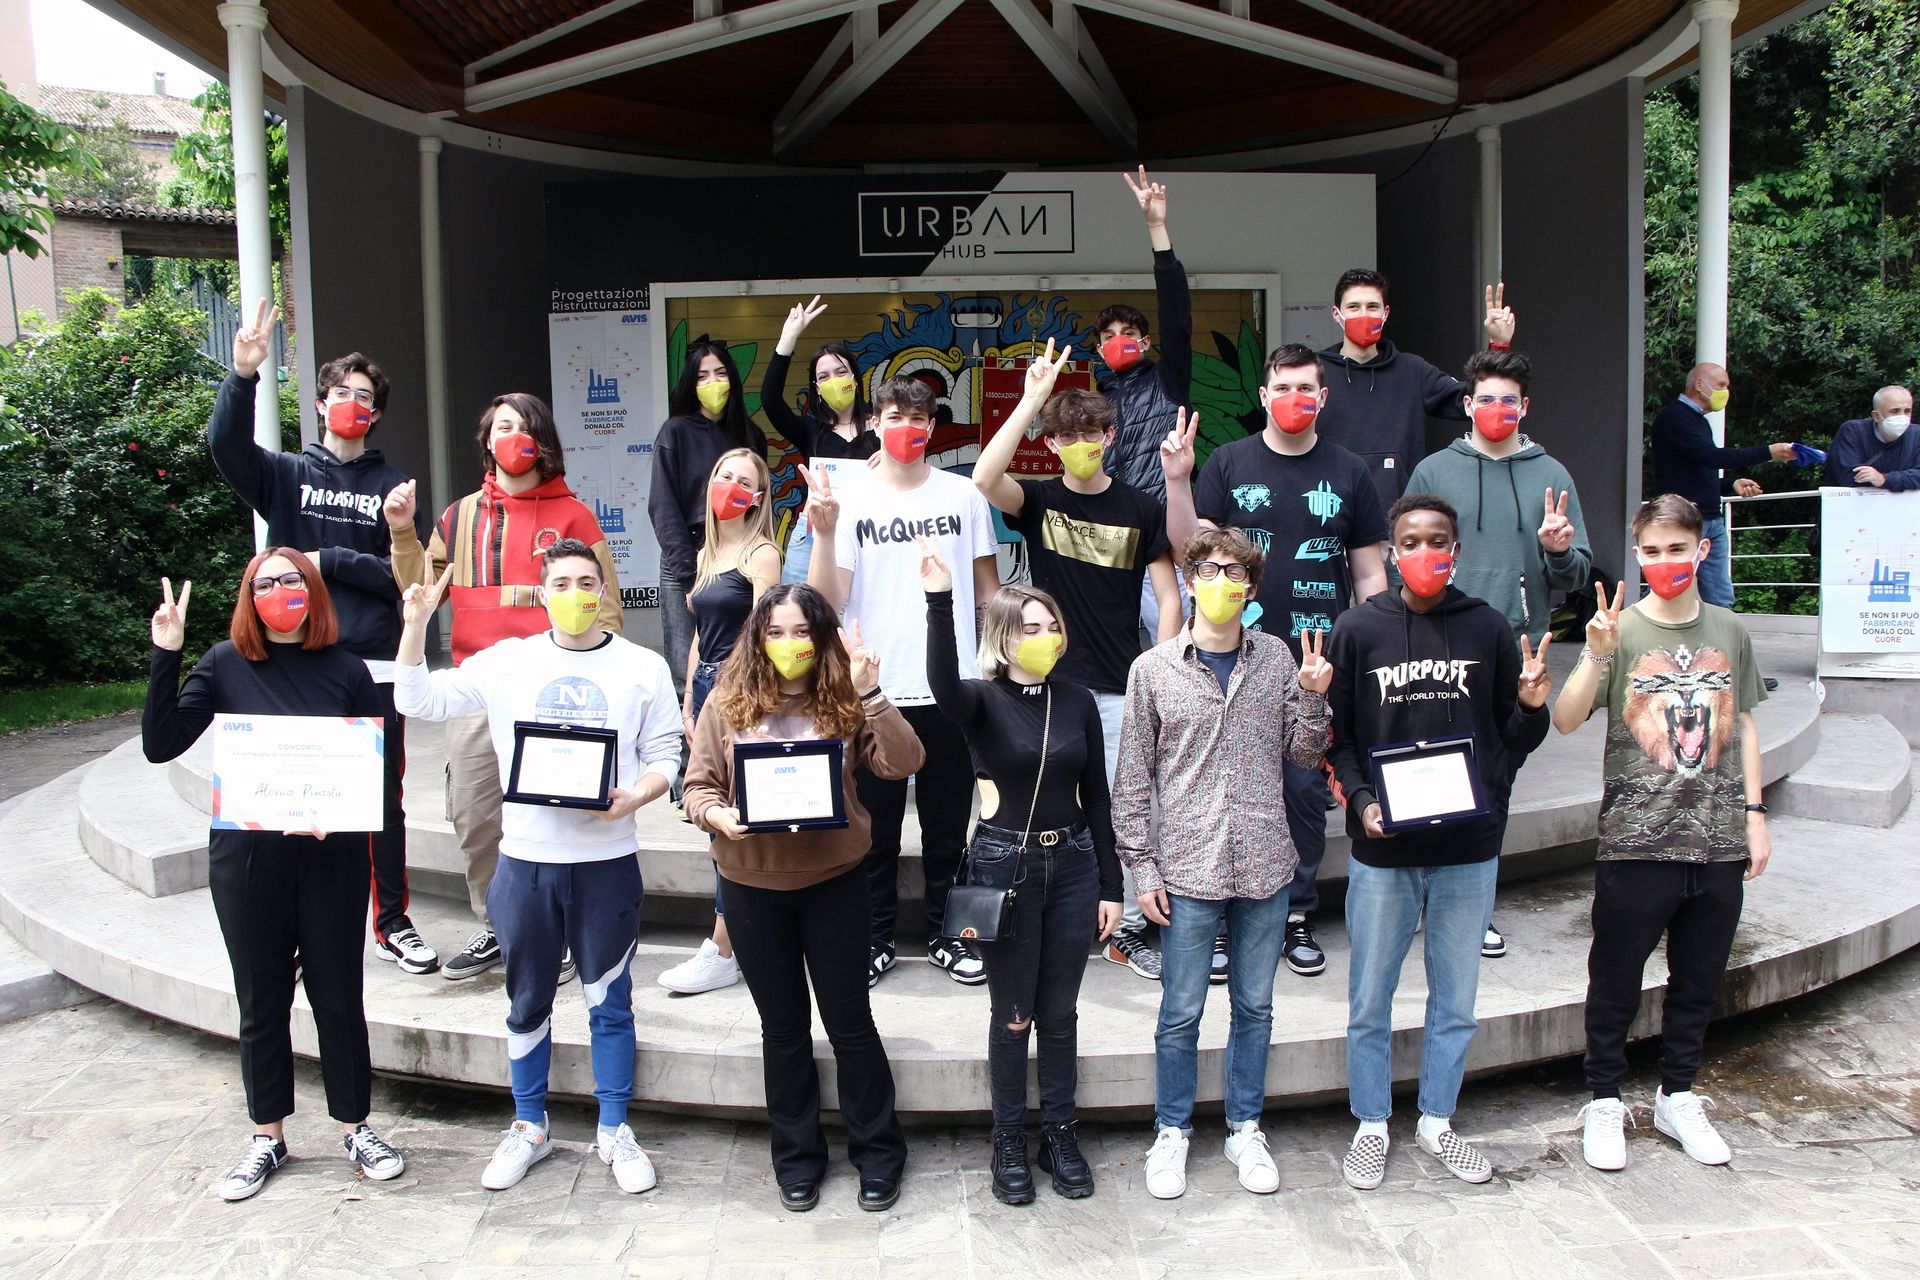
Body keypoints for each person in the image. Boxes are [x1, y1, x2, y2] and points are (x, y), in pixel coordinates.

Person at [394, 538, 679, 1194]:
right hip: (525, 863)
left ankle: (615, 1126)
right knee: (526, 1000)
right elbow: (419, 700)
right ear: (542, 593)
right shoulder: (508, 662)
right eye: (562, 584)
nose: (576, 595)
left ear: (603, 591)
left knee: (610, 1000)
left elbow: (666, 750)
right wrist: (415, 626)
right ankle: (529, 1125)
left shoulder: (642, 667)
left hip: (606, 862)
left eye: (587, 583)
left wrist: (638, 794)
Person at [142, 553, 406, 1201]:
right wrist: (166, 654)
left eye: (291, 580)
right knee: (260, 998)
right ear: (249, 596)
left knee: (338, 996)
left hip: (331, 856)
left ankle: (356, 1126)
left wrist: (334, 813)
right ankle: (268, 1135)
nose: (280, 591)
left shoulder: (347, 669)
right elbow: (160, 743)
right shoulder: (223, 664)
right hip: (249, 860)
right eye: (265, 583)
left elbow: (377, 771)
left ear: (311, 590)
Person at [1325, 494, 1554, 1191]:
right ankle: (1371, 1123)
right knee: (1370, 999)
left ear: (1456, 550)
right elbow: (1339, 740)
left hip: (1467, 849)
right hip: (1384, 849)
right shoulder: (1357, 630)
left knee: (1455, 1001)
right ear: (1392, 552)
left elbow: (1513, 741)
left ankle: (1436, 1120)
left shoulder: (1487, 627)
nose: (1425, 553)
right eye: (1411, 541)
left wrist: (1531, 707)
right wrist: (1361, 803)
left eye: (1438, 541)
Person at [205, 300, 433, 974]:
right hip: (294, 660)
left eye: (364, 398)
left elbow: (406, 581)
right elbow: (225, 448)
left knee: (379, 799)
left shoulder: (392, 487)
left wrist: (327, 559)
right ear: (320, 402)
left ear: (377, 413)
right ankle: (301, 924)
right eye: (341, 393)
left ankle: (391, 923)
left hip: (370, 665)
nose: (351, 404)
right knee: (294, 792)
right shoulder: (285, 475)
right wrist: (243, 376)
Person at [1552, 495, 1772, 1174]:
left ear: (1702, 550)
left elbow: (1747, 722)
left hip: (1719, 839)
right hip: (1636, 840)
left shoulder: (1730, 628)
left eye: (1677, 549)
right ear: (1638, 553)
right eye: (1651, 551)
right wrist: (1595, 655)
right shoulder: (1619, 629)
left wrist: (1755, 815)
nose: (1664, 561)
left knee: (1698, 979)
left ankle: (1678, 1093)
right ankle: (1604, 1098)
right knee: (1615, 978)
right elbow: (1565, 719)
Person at [1112, 527, 1334, 1201]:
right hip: (1188, 868)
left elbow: (1303, 756)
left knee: (1255, 1006)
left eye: (1233, 572)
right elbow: (1132, 782)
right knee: (1180, 1010)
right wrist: (1142, 869)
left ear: (1251, 587)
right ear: (1188, 581)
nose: (1219, 582)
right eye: (1206, 570)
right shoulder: (1153, 670)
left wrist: (1314, 696)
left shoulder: (1276, 658)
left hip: (1265, 863)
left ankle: (1245, 1127)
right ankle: (1172, 1130)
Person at [683, 584, 917, 1214]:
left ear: (822, 637)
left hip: (834, 885)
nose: (789, 644)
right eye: (776, 632)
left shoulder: (843, 696)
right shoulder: (727, 702)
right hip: (752, 889)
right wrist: (717, 816)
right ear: (758, 638)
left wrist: (872, 693)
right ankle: (797, 1159)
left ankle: (879, 1154)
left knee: (850, 1024)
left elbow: (903, 763)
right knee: (782, 1030)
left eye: (802, 631)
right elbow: (697, 786)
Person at [1162, 343, 1388, 981]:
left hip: (1315, 666)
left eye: (1306, 388)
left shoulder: (1349, 471)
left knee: (1302, 792)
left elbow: (1369, 573)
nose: (1295, 398)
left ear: (1323, 396)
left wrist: (1375, 647)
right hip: (1233, 661)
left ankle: (1295, 913)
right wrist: (1177, 480)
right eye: (1283, 387)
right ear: (1264, 396)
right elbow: (1190, 552)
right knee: (1220, 787)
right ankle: (1218, 918)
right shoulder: (1229, 463)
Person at [386, 393, 623, 981]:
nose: (512, 437)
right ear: (487, 442)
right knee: (475, 815)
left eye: (523, 427)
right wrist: (402, 534)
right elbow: (422, 590)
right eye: (502, 427)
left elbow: (607, 609)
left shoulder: (575, 516)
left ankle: (556, 931)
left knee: (556, 812)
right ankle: (498, 924)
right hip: (477, 687)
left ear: (541, 443)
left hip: (551, 689)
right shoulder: (459, 516)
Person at [918, 542, 1124, 1204]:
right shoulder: (980, 701)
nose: (1047, 637)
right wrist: (939, 600)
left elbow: (1098, 798)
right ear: (1004, 639)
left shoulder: (1077, 700)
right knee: (1012, 1014)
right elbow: (942, 685)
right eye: (1031, 628)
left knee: (1059, 1013)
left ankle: (1059, 1134)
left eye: (1052, 625)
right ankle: (1007, 1137)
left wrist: (1112, 886)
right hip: (1004, 864)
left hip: (1074, 864)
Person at [970, 339, 1180, 982]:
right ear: (1052, 443)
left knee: (1124, 807)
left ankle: (1129, 928)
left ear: (1111, 437)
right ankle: (1051, 912)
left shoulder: (1141, 507)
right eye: (1068, 435)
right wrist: (1033, 397)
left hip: (1119, 685)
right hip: (1044, 683)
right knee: (1040, 801)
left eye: (1093, 432)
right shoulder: (1038, 501)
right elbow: (984, 478)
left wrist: (1162, 670)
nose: (1082, 443)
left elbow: (1170, 597)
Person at [808, 376, 1000, 987]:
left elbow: (988, 593)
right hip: (875, 689)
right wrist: (824, 532)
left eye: (919, 419)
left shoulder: (964, 495)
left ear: (933, 426)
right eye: (894, 416)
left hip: (952, 686)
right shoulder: (851, 500)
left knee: (948, 826)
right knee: (874, 828)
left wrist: (992, 668)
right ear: (874, 422)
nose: (907, 429)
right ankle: (875, 937)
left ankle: (950, 934)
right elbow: (826, 600)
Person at [1403, 348, 1591, 958]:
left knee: (1494, 778)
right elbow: (1406, 552)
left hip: (1515, 646)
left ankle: (1473, 908)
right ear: (1467, 404)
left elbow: (1576, 574)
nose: (1497, 409)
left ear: (1525, 407)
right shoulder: (1434, 470)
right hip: (1437, 643)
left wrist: (1557, 550)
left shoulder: (1551, 475)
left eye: (1509, 400)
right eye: (1486, 399)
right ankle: (1419, 897)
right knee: (1425, 767)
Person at [656, 448, 782, 997]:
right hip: (707, 689)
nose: (730, 485)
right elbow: (698, 638)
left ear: (758, 497)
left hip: (742, 692)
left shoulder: (762, 554)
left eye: (743, 480)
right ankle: (740, 937)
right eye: (723, 475)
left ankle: (723, 949)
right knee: (713, 821)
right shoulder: (708, 552)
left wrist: (730, 703)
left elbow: (765, 637)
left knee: (733, 823)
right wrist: (689, 701)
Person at [1315, 270, 1518, 511]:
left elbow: (1475, 402)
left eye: (1372, 307)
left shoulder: (1413, 370)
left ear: (1385, 313)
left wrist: (1499, 346)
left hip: (1399, 518)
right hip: (1330, 513)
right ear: (1336, 314)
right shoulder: (1315, 373)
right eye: (1354, 307)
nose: (1364, 315)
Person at [1094, 168, 1191, 637]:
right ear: (1099, 351)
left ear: (1147, 341)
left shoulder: (1168, 380)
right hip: (1110, 545)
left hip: (1162, 545)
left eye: (1128, 333)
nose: (1119, 341)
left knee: (1171, 652)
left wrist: (1157, 229)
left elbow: (1177, 315)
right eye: (1109, 336)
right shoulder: (1093, 405)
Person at [651, 341, 766, 702]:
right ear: (691, 383)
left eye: (720, 373)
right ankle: (690, 733)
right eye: (702, 376)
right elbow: (663, 507)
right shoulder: (675, 431)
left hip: (740, 554)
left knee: (743, 651)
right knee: (684, 660)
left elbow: (760, 502)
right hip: (688, 553)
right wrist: (689, 577)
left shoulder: (750, 434)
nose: (712, 382)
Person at [1647, 362, 1796, 609]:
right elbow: (1712, 457)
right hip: (1683, 520)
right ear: (1699, 384)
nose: (1726, 391)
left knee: (1719, 598)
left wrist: (1730, 484)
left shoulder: (1697, 421)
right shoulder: (1674, 417)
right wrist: (1768, 452)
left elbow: (1696, 474)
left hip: (1709, 520)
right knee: (1668, 589)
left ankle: (1720, 634)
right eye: (1721, 385)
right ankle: (1633, 629)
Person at [760, 296, 880, 584]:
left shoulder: (882, 425)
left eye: (841, 372)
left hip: (870, 534)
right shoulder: (809, 429)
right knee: (801, 606)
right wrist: (788, 338)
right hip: (814, 534)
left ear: (855, 377)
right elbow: (770, 400)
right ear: (816, 387)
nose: (833, 380)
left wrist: (891, 458)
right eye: (823, 376)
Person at [1824, 385, 1920, 490]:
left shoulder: (1917, 434)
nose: (1902, 416)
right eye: (1894, 411)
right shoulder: (1853, 431)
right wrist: (1906, 480)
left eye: (1907, 411)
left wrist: (1884, 479)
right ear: (1876, 416)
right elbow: (1848, 477)